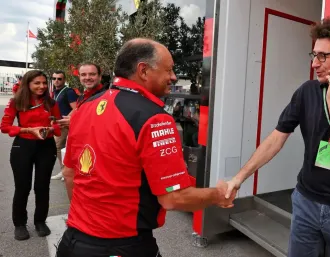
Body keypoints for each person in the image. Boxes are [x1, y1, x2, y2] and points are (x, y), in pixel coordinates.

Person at [225, 16, 330, 257]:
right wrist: (239, 178)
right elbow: (276, 137)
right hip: (306, 204)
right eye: (313, 55)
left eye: (323, 56)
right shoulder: (307, 91)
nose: (315, 63)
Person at [56, 38, 236, 257]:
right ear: (143, 70)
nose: (173, 77)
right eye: (168, 70)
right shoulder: (154, 118)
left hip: (73, 241)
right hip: (121, 246)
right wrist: (218, 195)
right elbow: (173, 197)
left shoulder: (86, 108)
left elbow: (69, 173)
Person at [0, 70, 62, 241]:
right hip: (23, 146)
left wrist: (50, 129)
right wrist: (27, 130)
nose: (41, 86)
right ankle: (19, 224)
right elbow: (5, 126)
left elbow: (58, 126)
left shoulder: (51, 103)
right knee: (22, 187)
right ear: (28, 84)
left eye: (44, 83)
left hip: (46, 147)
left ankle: (40, 221)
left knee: (42, 187)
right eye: (37, 83)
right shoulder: (16, 102)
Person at [56, 62, 105, 129]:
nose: (87, 77)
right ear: (79, 77)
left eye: (92, 74)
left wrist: (75, 122)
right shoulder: (81, 97)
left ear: (100, 77)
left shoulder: (107, 97)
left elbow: (104, 124)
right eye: (83, 75)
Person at [50, 70, 78, 180]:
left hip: (65, 125)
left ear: (64, 80)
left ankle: (65, 171)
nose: (56, 81)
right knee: (61, 148)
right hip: (57, 124)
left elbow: (76, 108)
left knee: (58, 147)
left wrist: (64, 119)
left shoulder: (68, 91)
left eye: (59, 79)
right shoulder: (55, 91)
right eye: (54, 78)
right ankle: (65, 170)